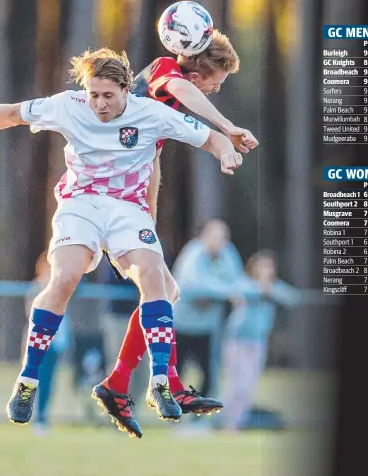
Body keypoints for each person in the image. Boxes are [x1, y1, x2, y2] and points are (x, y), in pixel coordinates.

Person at [0, 48, 245, 438]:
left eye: (108, 96)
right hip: (79, 205)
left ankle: (159, 383)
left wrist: (226, 154)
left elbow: (211, 139)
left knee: (154, 276)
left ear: (125, 90)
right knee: (64, 277)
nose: (99, 104)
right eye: (93, 95)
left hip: (126, 209)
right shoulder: (68, 106)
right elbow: (11, 113)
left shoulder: (150, 113)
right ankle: (27, 380)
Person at [93, 30, 258, 434]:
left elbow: (151, 160)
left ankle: (121, 384)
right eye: (217, 82)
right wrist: (225, 124)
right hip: (103, 199)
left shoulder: (153, 108)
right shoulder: (167, 72)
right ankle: (156, 384)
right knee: (162, 292)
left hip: (122, 203)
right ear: (201, 76)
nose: (217, 90)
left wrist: (147, 219)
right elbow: (182, 86)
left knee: (165, 291)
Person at [220, 250, 302, 431]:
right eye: (263, 266)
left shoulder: (274, 287)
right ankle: (225, 421)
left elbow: (293, 298)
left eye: (270, 266)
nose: (267, 270)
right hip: (237, 340)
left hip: (257, 342)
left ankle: (237, 422)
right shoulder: (245, 283)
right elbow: (238, 292)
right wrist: (261, 288)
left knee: (249, 383)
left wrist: (270, 289)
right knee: (236, 383)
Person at [171, 219, 245, 398]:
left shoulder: (228, 253)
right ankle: (173, 413)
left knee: (209, 374)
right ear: (204, 236)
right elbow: (193, 285)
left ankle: (200, 416)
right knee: (175, 371)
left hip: (207, 327)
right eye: (215, 236)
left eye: (223, 237)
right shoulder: (193, 252)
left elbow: (237, 282)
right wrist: (225, 292)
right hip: (181, 324)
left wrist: (219, 292)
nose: (220, 240)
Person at [24, 251, 70, 435]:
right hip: (39, 342)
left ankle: (43, 417)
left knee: (49, 382)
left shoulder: (63, 287)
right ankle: (34, 416)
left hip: (56, 342)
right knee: (35, 379)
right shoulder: (39, 287)